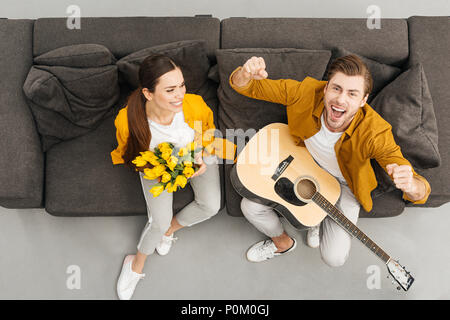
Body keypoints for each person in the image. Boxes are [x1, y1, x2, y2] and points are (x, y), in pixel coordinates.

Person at [229, 55, 430, 266]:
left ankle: (317, 219)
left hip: (344, 185)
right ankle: (282, 243)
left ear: (363, 101)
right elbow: (249, 87)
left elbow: (420, 189)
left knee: (334, 258)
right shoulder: (305, 93)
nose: (341, 100)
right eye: (336, 88)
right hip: (302, 166)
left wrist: (411, 186)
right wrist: (245, 74)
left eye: (352, 94)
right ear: (325, 88)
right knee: (250, 207)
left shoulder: (375, 132)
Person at [111, 54, 235, 300]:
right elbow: (130, 154)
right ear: (148, 93)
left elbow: (207, 130)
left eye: (181, 85)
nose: (180, 95)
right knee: (157, 221)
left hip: (194, 154)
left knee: (210, 205)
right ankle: (136, 264)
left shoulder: (194, 105)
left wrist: (199, 156)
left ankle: (170, 230)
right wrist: (162, 170)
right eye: (170, 90)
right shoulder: (127, 121)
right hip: (156, 166)